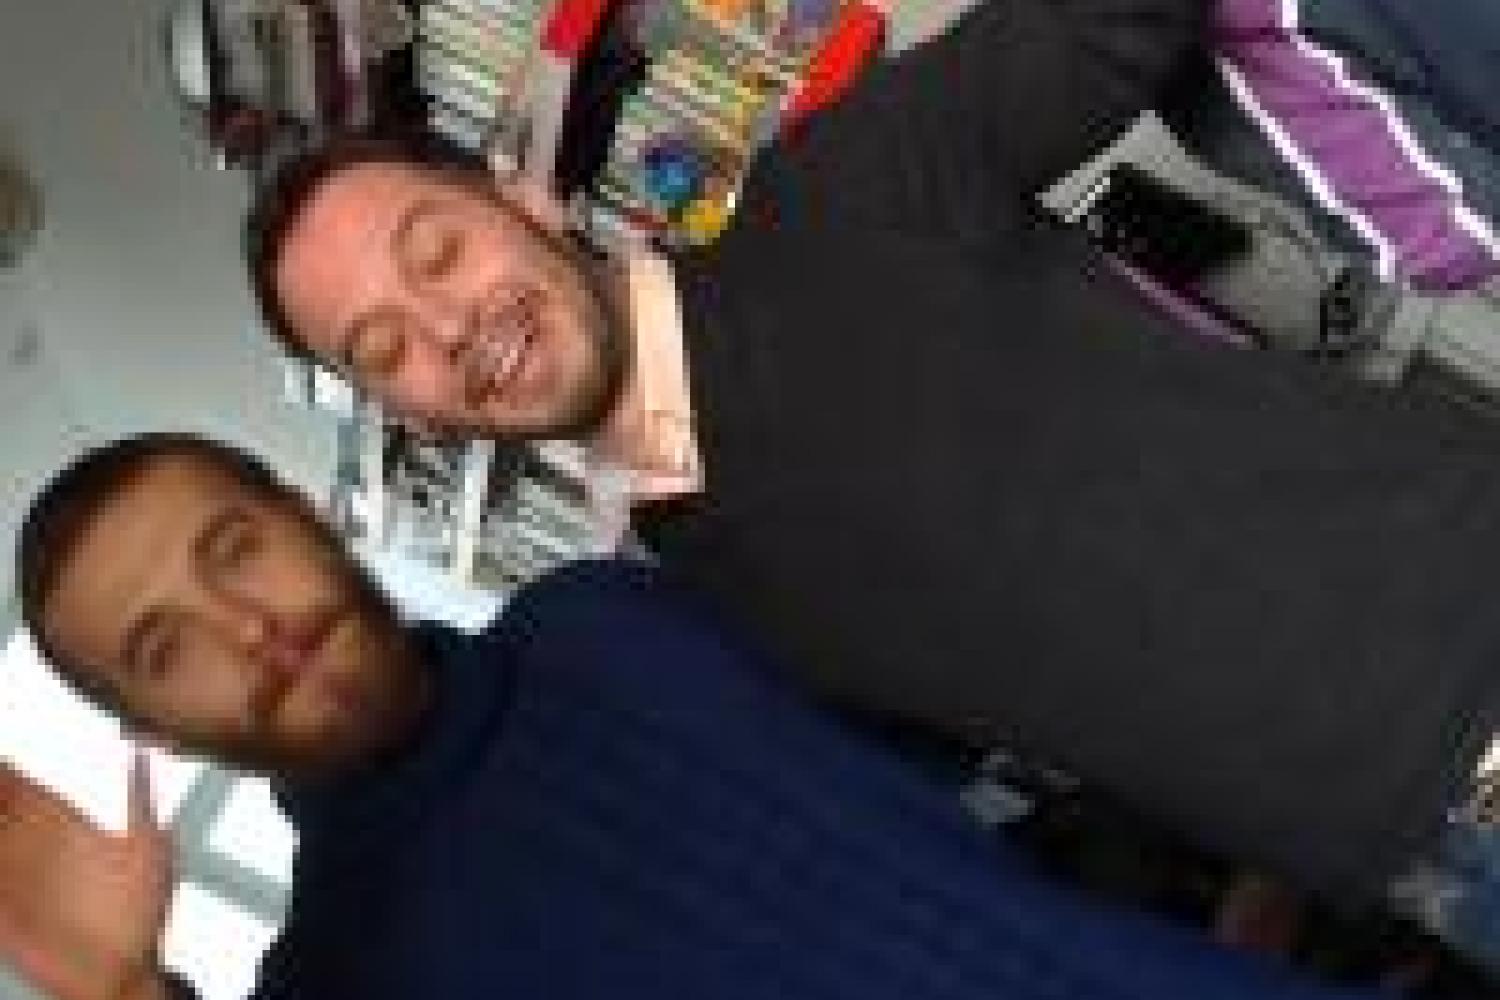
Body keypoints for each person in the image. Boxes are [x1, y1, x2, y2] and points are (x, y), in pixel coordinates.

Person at [241, 0, 1500, 970]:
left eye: (436, 251)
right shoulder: (684, 621)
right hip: (1428, 870)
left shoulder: (841, 192)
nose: (448, 325)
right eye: (384, 347)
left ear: (519, 196)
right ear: (408, 413)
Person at [0, 432, 1379, 1000]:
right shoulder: (335, 978)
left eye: (234, 549)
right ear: (158, 734)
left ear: (307, 515)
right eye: (167, 648)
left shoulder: (602, 614)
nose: (249, 627)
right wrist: (123, 994)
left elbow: (992, 719)